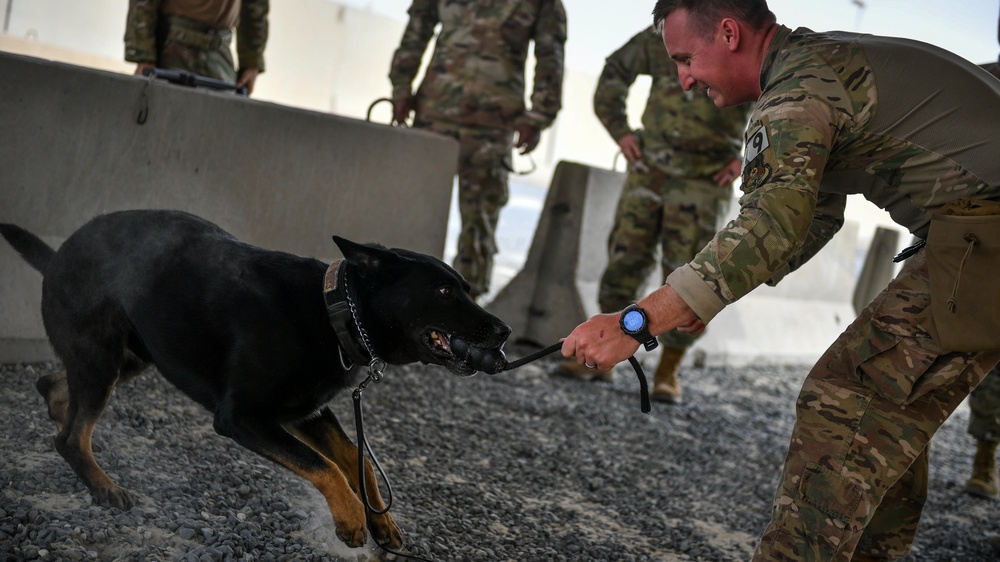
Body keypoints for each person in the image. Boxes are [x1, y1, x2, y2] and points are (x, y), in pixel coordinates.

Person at [560, 0, 1000, 559]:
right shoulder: (821, 62)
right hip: (971, 237)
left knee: (843, 405)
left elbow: (773, 220)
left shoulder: (797, 91)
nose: (683, 79)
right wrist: (703, 295)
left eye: (686, 59)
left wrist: (640, 319)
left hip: (981, 238)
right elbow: (814, 215)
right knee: (884, 420)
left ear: (728, 33)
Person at [552, 26, 746, 404]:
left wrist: (749, 157)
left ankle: (668, 369)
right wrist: (620, 130)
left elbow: (771, 95)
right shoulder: (667, 32)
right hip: (649, 169)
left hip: (705, 179)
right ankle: (599, 353)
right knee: (625, 259)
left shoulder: (734, 36)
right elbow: (614, 71)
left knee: (691, 276)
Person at [388, 0, 566, 300]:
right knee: (413, 213)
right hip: (434, 116)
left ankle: (465, 309)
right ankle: (399, 298)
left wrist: (538, 116)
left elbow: (550, 56)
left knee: (478, 226)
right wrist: (400, 88)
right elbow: (417, 29)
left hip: (492, 126)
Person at [124, 0, 269, 95]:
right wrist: (144, 57)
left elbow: (255, 5)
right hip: (172, 47)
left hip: (219, 51)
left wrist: (251, 61)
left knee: (221, 129)